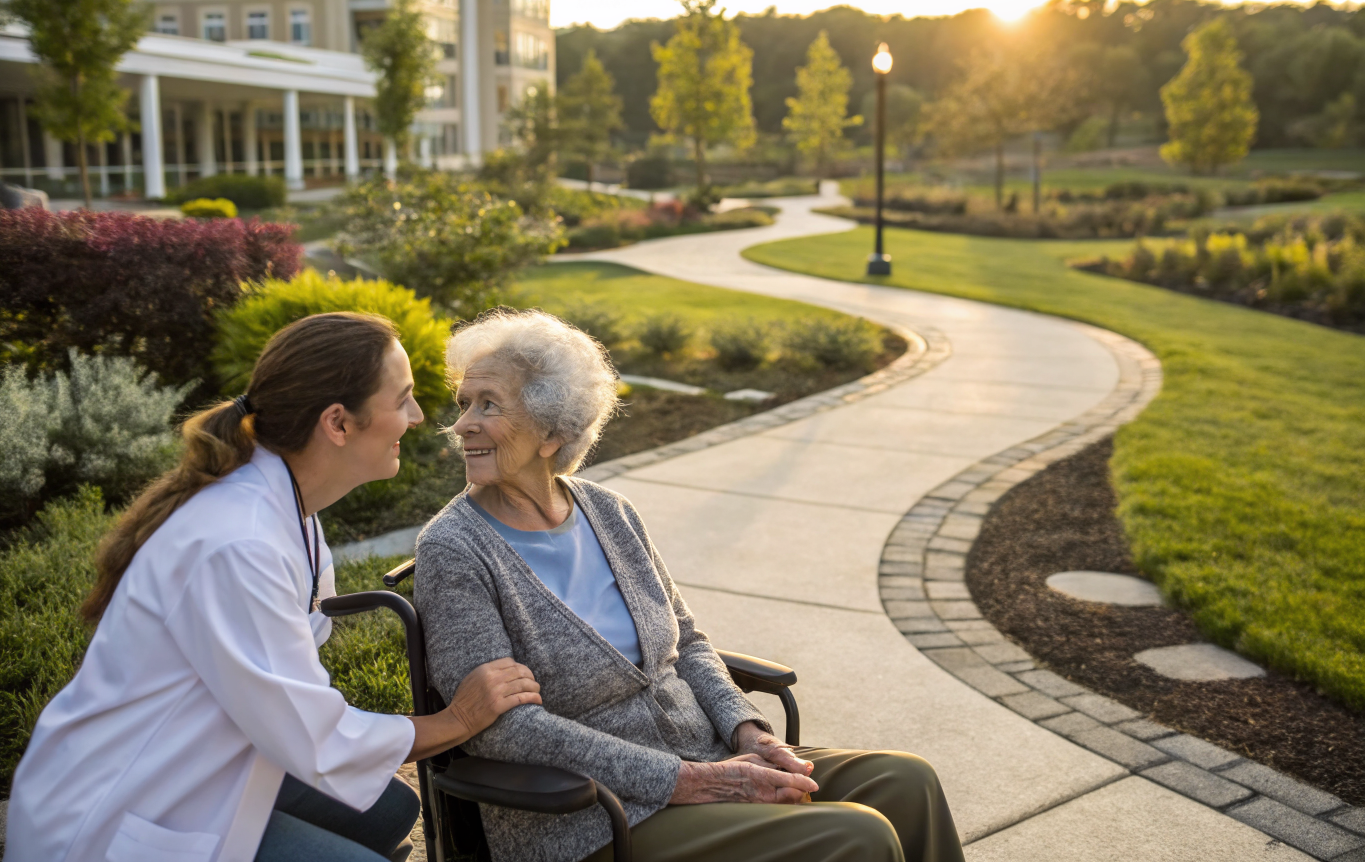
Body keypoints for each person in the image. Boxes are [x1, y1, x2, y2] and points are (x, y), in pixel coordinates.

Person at [414, 308, 965, 862]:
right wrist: (693, 780)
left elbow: (688, 642)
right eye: (465, 404)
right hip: (595, 818)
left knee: (905, 781)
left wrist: (747, 730)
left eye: (488, 405)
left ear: (553, 432)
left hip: (709, 758)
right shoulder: (455, 548)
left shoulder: (609, 512)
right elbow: (504, 731)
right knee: (857, 835)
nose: (462, 425)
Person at [5, 312, 542, 862]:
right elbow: (316, 739)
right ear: (338, 423)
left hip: (214, 751)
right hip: (119, 810)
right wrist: (457, 719)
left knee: (390, 808)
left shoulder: (288, 502)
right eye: (402, 397)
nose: (418, 415)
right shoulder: (240, 543)